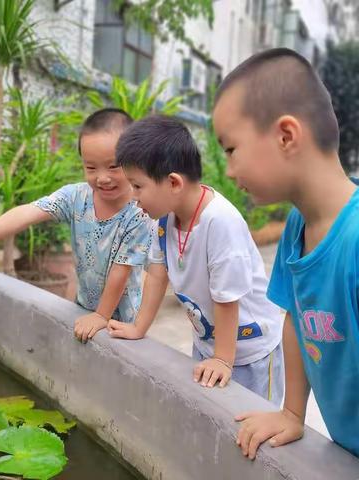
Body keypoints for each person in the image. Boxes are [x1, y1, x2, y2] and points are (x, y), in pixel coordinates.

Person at [212, 47, 359, 459]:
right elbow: (295, 315)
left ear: (286, 136)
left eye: (230, 149)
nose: (227, 169)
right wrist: (292, 412)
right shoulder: (298, 224)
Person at [0, 108, 152, 343]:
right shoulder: (75, 197)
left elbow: (121, 271)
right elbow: (26, 212)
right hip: (85, 308)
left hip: (122, 324)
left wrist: (100, 315)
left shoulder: (140, 212)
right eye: (91, 168)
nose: (102, 177)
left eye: (113, 166)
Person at [108, 114, 284, 405]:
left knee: (253, 426)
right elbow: (156, 273)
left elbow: (227, 299)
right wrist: (139, 327)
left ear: (174, 182)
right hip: (209, 344)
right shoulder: (164, 219)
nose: (133, 197)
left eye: (137, 186)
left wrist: (224, 360)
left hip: (250, 352)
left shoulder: (219, 222)